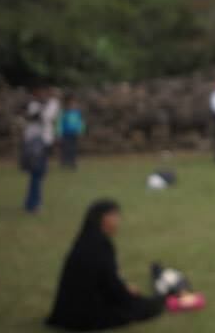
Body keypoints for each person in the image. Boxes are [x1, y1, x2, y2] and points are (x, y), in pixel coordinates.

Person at [46, 199, 164, 330]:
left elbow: (102, 278)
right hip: (86, 315)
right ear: (105, 218)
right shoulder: (101, 245)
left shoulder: (85, 239)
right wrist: (126, 292)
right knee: (147, 306)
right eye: (115, 216)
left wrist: (124, 287)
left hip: (66, 311)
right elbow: (110, 284)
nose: (118, 221)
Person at [21, 91, 50, 212]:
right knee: (36, 175)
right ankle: (33, 204)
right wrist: (41, 109)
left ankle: (33, 201)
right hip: (34, 145)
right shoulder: (34, 106)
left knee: (40, 175)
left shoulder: (46, 106)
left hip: (42, 143)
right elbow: (34, 117)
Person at [58, 96, 86, 169]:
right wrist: (59, 133)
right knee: (66, 148)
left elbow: (80, 123)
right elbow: (60, 123)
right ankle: (64, 162)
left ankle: (72, 162)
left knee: (73, 148)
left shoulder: (77, 113)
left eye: (74, 103)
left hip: (74, 133)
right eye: (71, 103)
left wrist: (81, 131)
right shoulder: (65, 113)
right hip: (66, 134)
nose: (73, 105)